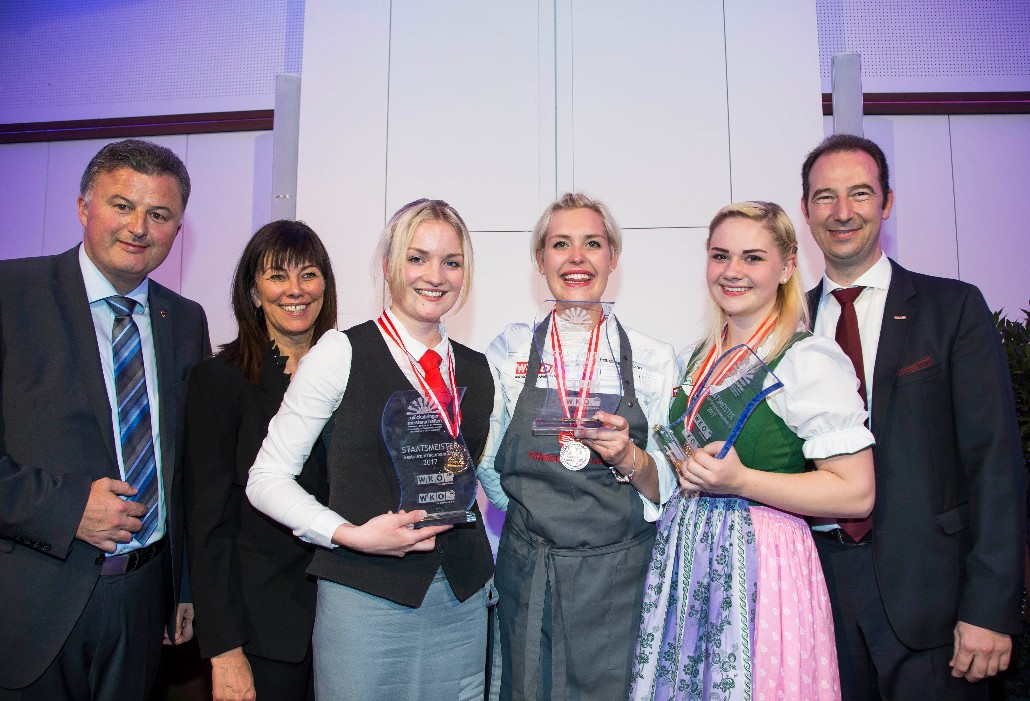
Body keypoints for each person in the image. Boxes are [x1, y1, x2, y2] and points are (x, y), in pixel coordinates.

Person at [801, 134, 1026, 700]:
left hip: (934, 598)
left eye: (859, 193)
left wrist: (990, 606)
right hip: (817, 596)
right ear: (806, 210)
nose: (842, 211)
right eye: (825, 197)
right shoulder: (786, 326)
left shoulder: (952, 308)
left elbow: (995, 462)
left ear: (888, 203)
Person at [247, 199, 496, 700]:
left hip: (462, 598)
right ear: (388, 265)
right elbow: (266, 478)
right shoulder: (340, 353)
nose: (435, 276)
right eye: (417, 258)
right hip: (365, 597)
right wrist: (350, 535)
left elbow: (488, 476)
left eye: (451, 262)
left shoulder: (477, 368)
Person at [629, 201, 875, 700]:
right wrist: (625, 457)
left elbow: (857, 493)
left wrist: (743, 482)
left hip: (764, 563)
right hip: (687, 558)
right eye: (720, 256)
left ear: (786, 268)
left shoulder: (807, 359)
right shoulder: (695, 358)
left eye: (753, 257)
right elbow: (675, 479)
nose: (732, 271)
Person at [0, 139, 210, 699]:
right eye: (122, 205)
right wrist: (69, 508)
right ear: (83, 207)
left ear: (177, 228)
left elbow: (189, 469)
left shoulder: (185, 320)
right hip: (30, 602)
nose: (139, 227)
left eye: (159, 214)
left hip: (143, 606)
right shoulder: (11, 295)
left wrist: (184, 585)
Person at [477, 192, 679, 700]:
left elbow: (670, 485)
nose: (576, 258)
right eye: (560, 244)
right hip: (531, 571)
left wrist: (629, 458)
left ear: (613, 257)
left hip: (620, 578)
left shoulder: (654, 359)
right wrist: (535, 518)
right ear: (540, 259)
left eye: (592, 244)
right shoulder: (509, 351)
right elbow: (487, 460)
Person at [185, 221, 337, 700]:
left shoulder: (352, 375)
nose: (295, 290)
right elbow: (207, 524)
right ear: (253, 292)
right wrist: (224, 650)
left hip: (346, 621)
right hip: (261, 628)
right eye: (277, 276)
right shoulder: (219, 381)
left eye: (308, 274)